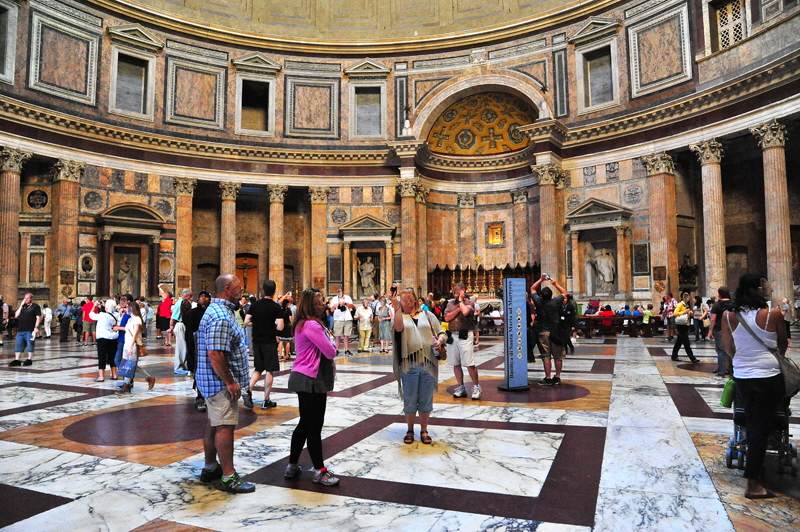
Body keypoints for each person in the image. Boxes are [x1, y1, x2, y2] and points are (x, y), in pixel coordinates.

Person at [721, 273, 788, 500]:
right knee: (760, 427)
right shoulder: (774, 314)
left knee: (751, 423)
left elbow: (728, 347)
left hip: (743, 376)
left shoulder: (729, 315)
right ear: (753, 290)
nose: (766, 288)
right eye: (762, 285)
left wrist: (741, 361)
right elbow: (782, 343)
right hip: (769, 375)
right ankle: (753, 484)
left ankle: (754, 473)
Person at [196, 274, 255, 494]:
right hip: (219, 383)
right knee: (224, 427)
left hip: (212, 381)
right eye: (240, 286)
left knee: (213, 422)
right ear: (228, 289)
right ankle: (229, 476)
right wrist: (230, 382)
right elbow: (215, 353)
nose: (243, 289)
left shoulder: (220, 311)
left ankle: (211, 467)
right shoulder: (221, 316)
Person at [284, 288, 339, 486]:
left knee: (305, 424)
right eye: (317, 303)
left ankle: (292, 464)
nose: (322, 306)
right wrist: (334, 346)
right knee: (314, 426)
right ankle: (320, 470)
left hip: (303, 376)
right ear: (309, 305)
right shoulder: (312, 325)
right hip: (311, 379)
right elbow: (330, 352)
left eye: (322, 302)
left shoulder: (301, 323)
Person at [391, 288, 447, 445]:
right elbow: (398, 328)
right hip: (409, 364)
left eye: (410, 300)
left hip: (428, 363)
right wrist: (396, 308)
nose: (407, 303)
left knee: (426, 398)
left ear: (415, 300)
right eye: (404, 300)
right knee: (409, 398)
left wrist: (440, 341)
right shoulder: (399, 316)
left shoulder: (428, 315)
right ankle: (410, 429)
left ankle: (424, 429)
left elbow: (442, 332)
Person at [243, 280, 284, 410]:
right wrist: (271, 325)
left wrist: (257, 324)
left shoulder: (255, 305)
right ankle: (266, 400)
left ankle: (248, 390)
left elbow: (246, 321)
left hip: (257, 341)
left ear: (263, 290)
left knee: (258, 368)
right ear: (274, 291)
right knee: (269, 370)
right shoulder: (276, 307)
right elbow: (281, 326)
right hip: (269, 342)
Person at [444, 282, 481, 399]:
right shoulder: (450, 303)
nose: (456, 295)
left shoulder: (469, 302)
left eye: (458, 292)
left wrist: (460, 303)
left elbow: (466, 312)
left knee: (469, 363)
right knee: (455, 363)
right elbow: (446, 317)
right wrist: (457, 310)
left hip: (465, 335)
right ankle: (461, 387)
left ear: (463, 291)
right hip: (453, 335)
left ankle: (476, 386)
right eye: (454, 292)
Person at [530, 274, 568, 385]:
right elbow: (564, 293)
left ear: (541, 295)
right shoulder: (556, 301)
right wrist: (555, 283)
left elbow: (532, 288)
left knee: (546, 356)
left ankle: (548, 377)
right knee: (558, 356)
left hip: (543, 332)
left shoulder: (538, 302)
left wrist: (541, 279)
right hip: (556, 331)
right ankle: (557, 376)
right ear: (551, 295)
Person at [117, 299, 156, 394]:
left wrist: (130, 346)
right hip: (127, 344)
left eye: (127, 307)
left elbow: (134, 334)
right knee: (128, 365)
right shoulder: (130, 319)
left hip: (132, 345)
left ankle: (127, 385)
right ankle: (146, 379)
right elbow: (127, 329)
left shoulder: (137, 319)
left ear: (131, 308)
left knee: (131, 365)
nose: (125, 309)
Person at [187, 290, 211, 411]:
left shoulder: (211, 312)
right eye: (202, 297)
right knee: (199, 370)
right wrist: (190, 346)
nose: (204, 299)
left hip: (210, 345)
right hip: (196, 345)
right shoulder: (193, 312)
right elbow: (189, 331)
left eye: (206, 297)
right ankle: (200, 396)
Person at [89, 299, 119, 382]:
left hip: (102, 338)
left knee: (101, 356)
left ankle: (101, 376)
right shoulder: (117, 315)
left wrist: (95, 305)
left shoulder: (102, 315)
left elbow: (91, 315)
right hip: (113, 338)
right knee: (112, 356)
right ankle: (114, 374)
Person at [8, 293, 42, 366]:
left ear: (31, 298)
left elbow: (38, 318)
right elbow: (16, 315)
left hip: (30, 329)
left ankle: (29, 359)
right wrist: (21, 305)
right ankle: (17, 359)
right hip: (21, 329)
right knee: (18, 344)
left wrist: (36, 327)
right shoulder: (23, 307)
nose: (26, 300)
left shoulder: (35, 306)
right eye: (25, 298)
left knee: (30, 344)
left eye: (28, 298)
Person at [708, 286, 734, 377]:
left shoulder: (717, 305)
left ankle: (721, 372)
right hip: (731, 329)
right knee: (731, 349)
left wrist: (710, 330)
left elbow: (713, 319)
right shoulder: (733, 304)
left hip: (720, 329)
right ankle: (731, 371)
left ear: (719, 294)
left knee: (721, 351)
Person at [169, 289, 193, 374]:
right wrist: (171, 328)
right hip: (180, 325)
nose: (191, 297)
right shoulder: (180, 303)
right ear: (186, 296)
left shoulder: (183, 302)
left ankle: (182, 365)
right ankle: (179, 367)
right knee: (181, 346)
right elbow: (173, 317)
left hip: (183, 325)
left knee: (184, 346)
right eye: (190, 296)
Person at [671, 291, 699, 363]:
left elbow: (686, 312)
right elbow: (675, 313)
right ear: (683, 298)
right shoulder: (680, 304)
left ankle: (674, 356)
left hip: (685, 324)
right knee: (686, 342)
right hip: (681, 325)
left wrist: (689, 312)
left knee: (679, 342)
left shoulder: (686, 305)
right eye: (687, 297)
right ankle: (692, 358)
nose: (688, 299)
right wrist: (684, 312)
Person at [329, 287, 354, 356]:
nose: (339, 292)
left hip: (347, 318)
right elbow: (331, 310)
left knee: (346, 335)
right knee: (337, 335)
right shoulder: (334, 299)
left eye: (340, 291)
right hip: (338, 318)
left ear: (343, 291)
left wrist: (345, 303)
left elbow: (352, 306)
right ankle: (337, 349)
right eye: (337, 291)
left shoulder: (347, 297)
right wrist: (335, 306)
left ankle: (346, 350)